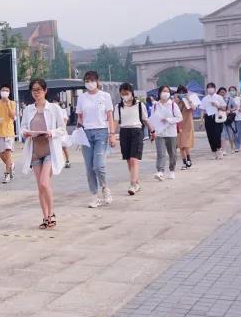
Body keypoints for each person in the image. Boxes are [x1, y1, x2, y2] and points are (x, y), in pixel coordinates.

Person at [20, 79, 67, 228]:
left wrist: (51, 133)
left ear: (45, 91)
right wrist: (27, 133)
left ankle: (52, 213)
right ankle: (45, 217)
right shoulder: (28, 110)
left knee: (44, 182)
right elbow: (22, 128)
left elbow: (62, 129)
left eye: (39, 89)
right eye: (34, 90)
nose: (36, 93)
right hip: (35, 151)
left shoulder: (53, 108)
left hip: (49, 150)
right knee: (40, 186)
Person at [75, 70, 117, 208]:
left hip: (101, 132)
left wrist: (112, 134)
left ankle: (105, 187)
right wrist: (78, 134)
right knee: (89, 167)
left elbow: (110, 116)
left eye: (92, 80)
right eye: (87, 81)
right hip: (86, 133)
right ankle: (94, 195)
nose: (90, 83)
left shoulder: (105, 96)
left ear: (97, 81)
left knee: (98, 165)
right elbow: (80, 117)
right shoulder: (82, 97)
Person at [115, 83, 149, 195]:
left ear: (131, 93)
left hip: (136, 132)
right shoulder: (118, 107)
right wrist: (111, 134)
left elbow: (145, 119)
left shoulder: (139, 105)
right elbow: (116, 121)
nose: (125, 95)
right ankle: (136, 182)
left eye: (127, 93)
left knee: (134, 159)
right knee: (129, 160)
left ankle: (132, 184)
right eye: (122, 94)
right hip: (124, 132)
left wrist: (152, 130)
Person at [149, 85, 182, 181]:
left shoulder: (173, 105)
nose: (165, 93)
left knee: (172, 153)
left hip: (171, 132)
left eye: (167, 91)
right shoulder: (155, 105)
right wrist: (152, 131)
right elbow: (152, 119)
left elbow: (180, 118)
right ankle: (160, 171)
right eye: (163, 91)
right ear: (159, 93)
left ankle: (172, 170)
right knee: (160, 153)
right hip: (159, 133)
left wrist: (168, 120)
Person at [0, 86, 17, 183]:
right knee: (1, 154)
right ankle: (11, 165)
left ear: (9, 92)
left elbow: (13, 116)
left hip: (9, 131)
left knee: (7, 152)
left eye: (7, 91)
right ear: (0, 91)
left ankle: (7, 174)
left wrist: (8, 105)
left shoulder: (12, 103)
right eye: (3, 90)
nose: (5, 92)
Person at [201, 83, 226, 159]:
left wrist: (217, 105)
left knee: (217, 135)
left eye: (212, 87)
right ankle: (214, 151)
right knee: (210, 135)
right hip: (208, 118)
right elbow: (203, 110)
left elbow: (224, 108)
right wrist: (201, 120)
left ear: (215, 89)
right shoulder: (205, 99)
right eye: (208, 88)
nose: (210, 89)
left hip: (217, 117)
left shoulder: (219, 97)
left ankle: (219, 149)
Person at [176, 85, 196, 169]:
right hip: (178, 125)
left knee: (186, 143)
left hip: (187, 125)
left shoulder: (189, 101)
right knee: (180, 145)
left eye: (183, 92)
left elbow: (193, 108)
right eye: (179, 92)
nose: (181, 94)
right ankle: (184, 162)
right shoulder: (176, 102)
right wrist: (176, 100)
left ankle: (188, 158)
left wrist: (187, 99)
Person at [223, 86, 241, 153]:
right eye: (230, 90)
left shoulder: (239, 99)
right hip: (231, 118)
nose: (232, 91)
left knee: (238, 133)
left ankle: (237, 146)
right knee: (233, 133)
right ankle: (234, 145)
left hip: (239, 117)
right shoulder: (227, 99)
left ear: (236, 91)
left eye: (233, 90)